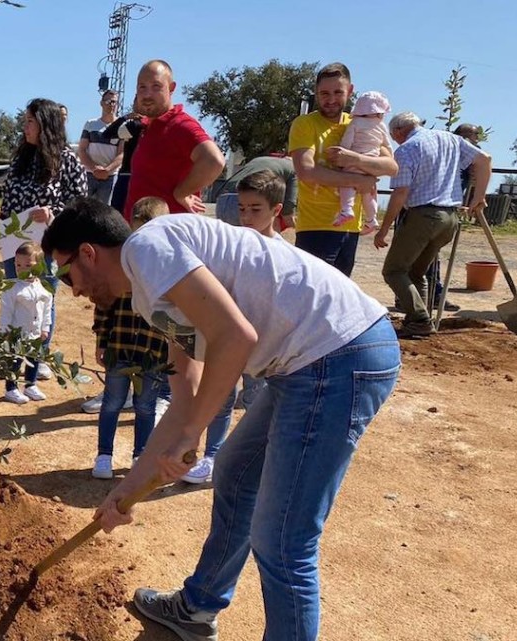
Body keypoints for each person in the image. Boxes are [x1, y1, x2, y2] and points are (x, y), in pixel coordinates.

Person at [42, 197, 400, 641]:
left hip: (336, 356)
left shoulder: (147, 249)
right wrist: (126, 489)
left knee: (284, 541)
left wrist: (193, 434)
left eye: (66, 273)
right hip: (303, 367)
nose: (73, 290)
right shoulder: (149, 290)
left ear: (89, 253)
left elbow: (236, 336)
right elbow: (185, 396)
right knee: (235, 471)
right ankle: (197, 607)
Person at [181, 170, 289, 485]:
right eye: (242, 208)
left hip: (262, 347)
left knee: (257, 402)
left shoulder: (283, 255)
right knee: (221, 398)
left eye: (255, 209)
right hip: (228, 342)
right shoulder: (232, 244)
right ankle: (212, 456)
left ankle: (258, 460)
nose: (246, 216)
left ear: (276, 211)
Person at [375, 112, 492, 338]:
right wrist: (479, 196)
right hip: (449, 218)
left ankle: (419, 319)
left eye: (393, 136)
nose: (394, 140)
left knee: (393, 270)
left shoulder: (407, 149)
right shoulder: (450, 139)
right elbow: (484, 159)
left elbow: (400, 193)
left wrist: (384, 228)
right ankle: (419, 321)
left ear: (398, 131)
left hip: (423, 217)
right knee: (417, 272)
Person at [0, 98, 88, 378]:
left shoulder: (67, 160)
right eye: (25, 121)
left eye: (30, 121)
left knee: (42, 298)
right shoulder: (21, 158)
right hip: (16, 244)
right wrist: (2, 224)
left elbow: (80, 201)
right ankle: (12, 357)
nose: (24, 126)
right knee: (15, 296)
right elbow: (9, 196)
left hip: (47, 244)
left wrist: (53, 213)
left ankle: (39, 357)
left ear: (45, 124)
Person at [289, 63, 398, 276]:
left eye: (338, 92)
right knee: (314, 296)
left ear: (350, 91)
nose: (331, 99)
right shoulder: (305, 124)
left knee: (340, 297)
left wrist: (353, 158)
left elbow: (392, 167)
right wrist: (358, 181)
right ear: (316, 92)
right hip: (315, 227)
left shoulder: (361, 122)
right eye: (324, 93)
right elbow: (307, 172)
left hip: (350, 229)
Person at [91, 196, 171, 479]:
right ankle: (104, 455)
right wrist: (101, 339)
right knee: (112, 402)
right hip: (119, 346)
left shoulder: (170, 267)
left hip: (153, 351)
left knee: (146, 406)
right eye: (136, 231)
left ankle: (140, 455)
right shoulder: (121, 262)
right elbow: (104, 303)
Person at [122, 60, 225, 220]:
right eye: (142, 87)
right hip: (142, 232)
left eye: (156, 86)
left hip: (167, 235)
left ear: (171, 88)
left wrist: (181, 193)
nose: (147, 94)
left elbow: (214, 161)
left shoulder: (180, 124)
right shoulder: (148, 126)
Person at [0, 242, 54, 404]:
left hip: (35, 332)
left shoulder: (43, 288)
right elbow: (6, 311)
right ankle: (11, 388)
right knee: (15, 361)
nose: (21, 268)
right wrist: (5, 330)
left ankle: (30, 385)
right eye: (18, 265)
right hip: (17, 333)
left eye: (27, 265)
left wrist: (45, 328)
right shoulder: (12, 288)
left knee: (34, 358)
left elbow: (46, 309)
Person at [334, 91, 392, 230]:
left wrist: (342, 153)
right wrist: (389, 155)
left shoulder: (355, 123)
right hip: (372, 163)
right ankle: (372, 218)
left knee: (347, 183)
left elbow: (347, 141)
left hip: (355, 158)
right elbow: (387, 144)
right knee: (369, 191)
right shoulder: (381, 126)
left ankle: (347, 209)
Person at [211, 155, 297, 229]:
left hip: (222, 200)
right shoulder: (295, 169)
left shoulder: (260, 159)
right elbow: (288, 210)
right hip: (244, 199)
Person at [78, 90, 123, 205]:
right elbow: (82, 150)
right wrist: (94, 168)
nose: (111, 105)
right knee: (83, 209)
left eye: (114, 102)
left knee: (104, 212)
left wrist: (107, 170)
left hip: (110, 177)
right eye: (108, 101)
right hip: (89, 174)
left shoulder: (122, 127)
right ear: (101, 103)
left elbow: (121, 154)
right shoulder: (90, 124)